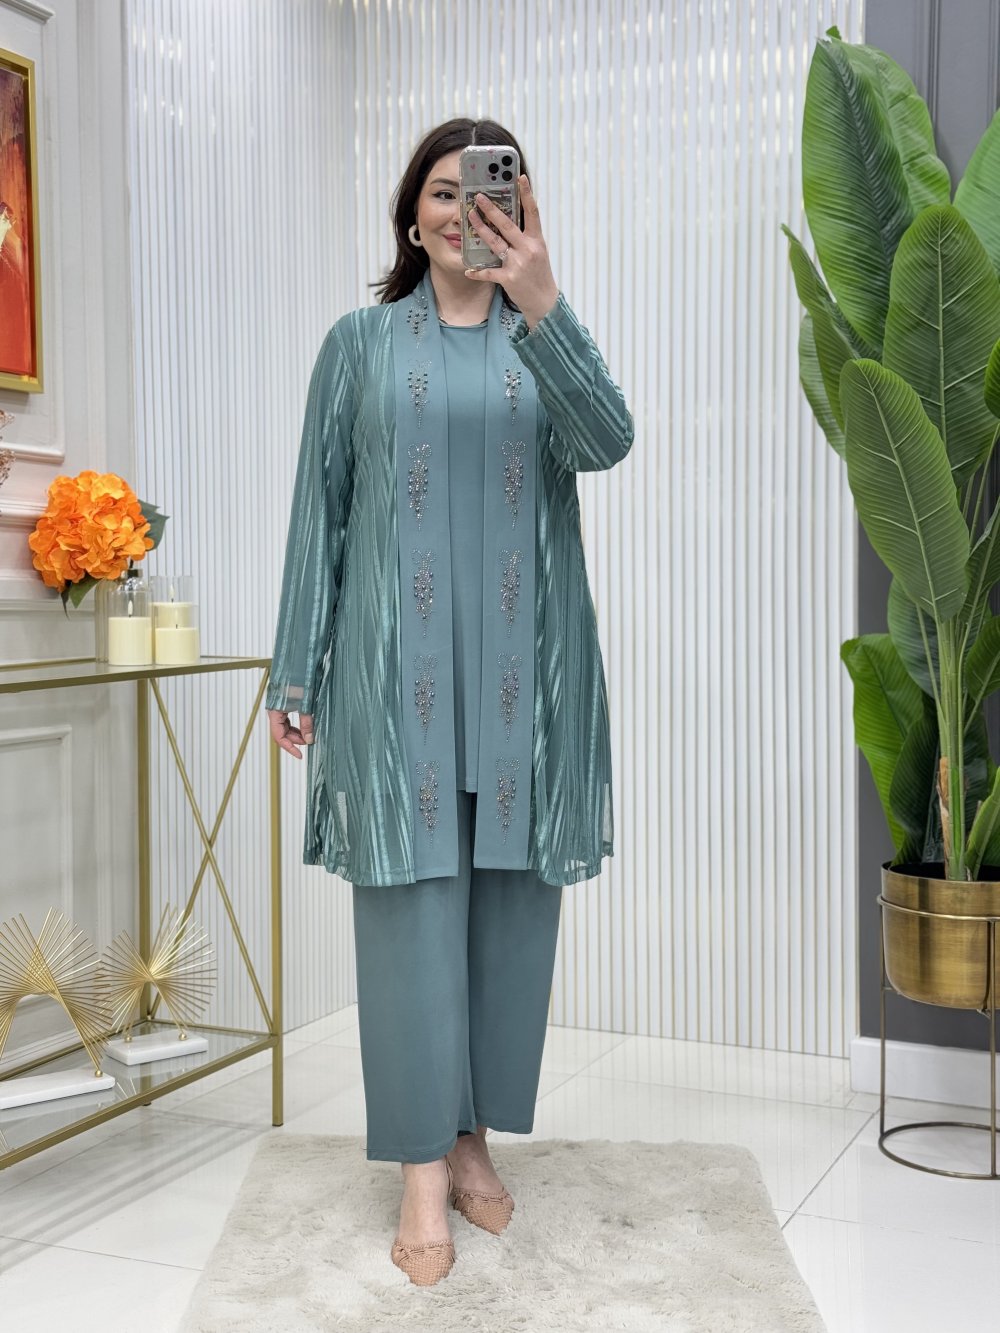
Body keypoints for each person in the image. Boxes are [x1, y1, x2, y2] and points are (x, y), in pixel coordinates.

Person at [266, 117, 634, 1287]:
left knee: (510, 916)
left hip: (528, 680)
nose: (463, 209)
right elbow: (319, 509)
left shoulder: (543, 338)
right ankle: (423, 1167)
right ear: (411, 214)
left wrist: (544, 296)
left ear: (519, 210)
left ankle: (472, 1131)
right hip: (396, 677)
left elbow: (610, 442)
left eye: (489, 192)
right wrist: (295, 667)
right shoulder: (360, 344)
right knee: (412, 916)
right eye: (442, 190)